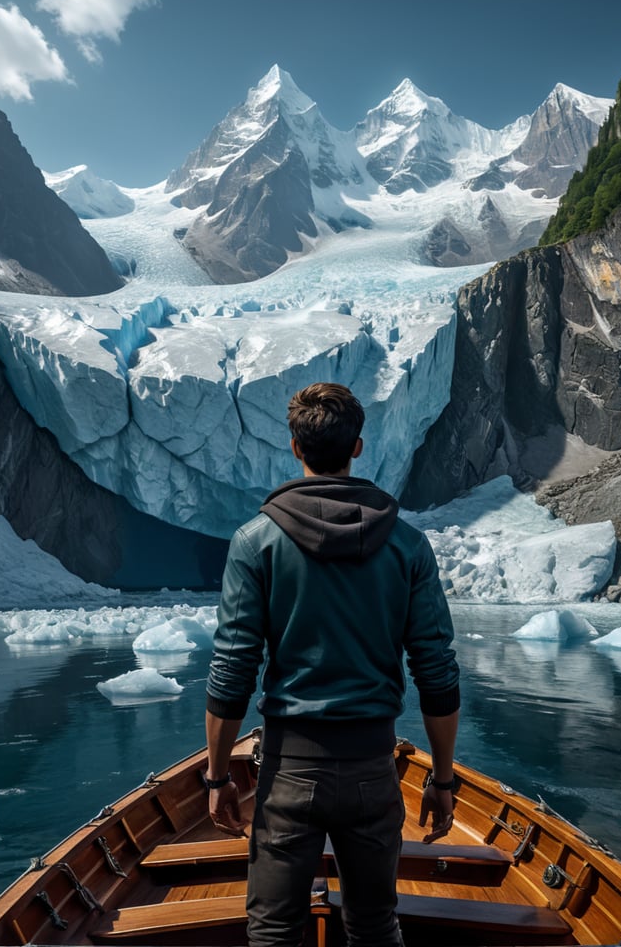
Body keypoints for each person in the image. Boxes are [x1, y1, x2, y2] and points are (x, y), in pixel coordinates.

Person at [204, 382, 460, 947]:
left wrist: (218, 777)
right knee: (373, 926)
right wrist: (442, 780)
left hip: (288, 772)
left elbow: (231, 671)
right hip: (373, 767)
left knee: (273, 931)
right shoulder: (409, 547)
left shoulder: (255, 542)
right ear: (359, 447)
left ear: (295, 448)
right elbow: (436, 672)